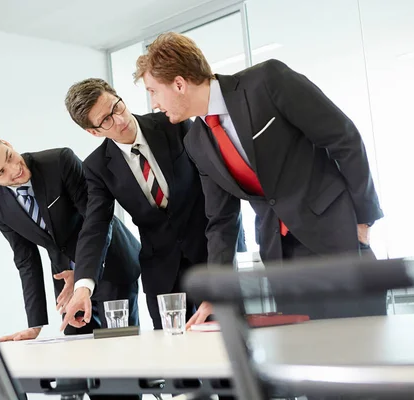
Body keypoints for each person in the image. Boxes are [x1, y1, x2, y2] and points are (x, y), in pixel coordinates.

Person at [134, 32, 385, 324]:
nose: (153, 104)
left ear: (179, 84)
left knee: (362, 343)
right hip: (279, 258)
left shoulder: (267, 81)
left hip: (335, 236)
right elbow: (221, 222)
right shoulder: (196, 143)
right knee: (305, 357)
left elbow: (345, 138)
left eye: (153, 91)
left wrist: (364, 219)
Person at [0, 133, 141, 341]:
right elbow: (25, 258)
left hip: (111, 263)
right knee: (76, 354)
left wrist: (81, 276)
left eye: (9, 156)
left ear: (7, 143)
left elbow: (96, 222)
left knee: (118, 347)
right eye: (0, 172)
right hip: (66, 279)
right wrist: (35, 325)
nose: (14, 169)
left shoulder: (59, 162)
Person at [61, 78, 210, 331]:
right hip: (162, 269)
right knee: (176, 358)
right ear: (94, 132)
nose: (119, 120)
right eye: (106, 120)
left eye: (116, 107)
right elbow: (96, 226)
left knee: (228, 347)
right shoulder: (96, 167)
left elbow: (214, 179)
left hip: (210, 251)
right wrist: (83, 286)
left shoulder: (172, 122)